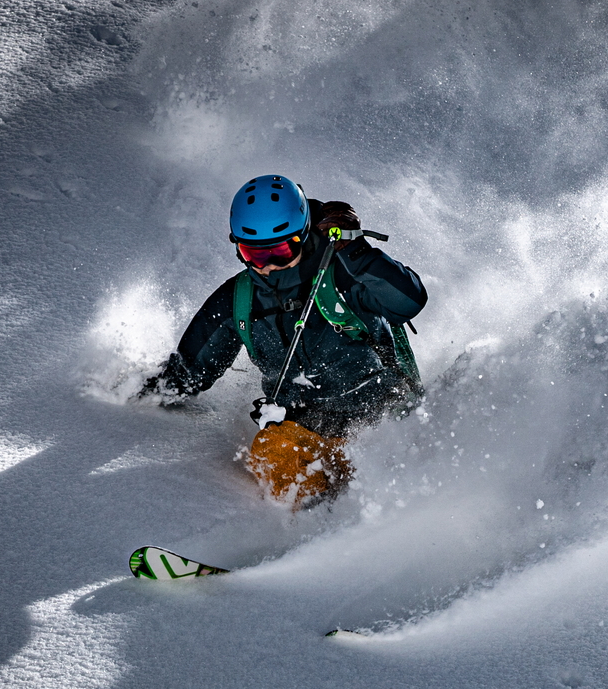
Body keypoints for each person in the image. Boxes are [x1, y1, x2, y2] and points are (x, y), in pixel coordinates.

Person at [140, 174, 427, 507]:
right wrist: (135, 392)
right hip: (311, 433)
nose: (269, 266)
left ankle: (371, 529)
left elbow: (409, 300)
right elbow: (189, 371)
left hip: (385, 426)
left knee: (374, 465)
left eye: (281, 250)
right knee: (273, 447)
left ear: (303, 235)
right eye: (254, 253)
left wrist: (357, 250)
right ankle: (314, 532)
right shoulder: (240, 300)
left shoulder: (343, 271)